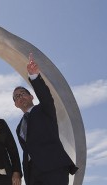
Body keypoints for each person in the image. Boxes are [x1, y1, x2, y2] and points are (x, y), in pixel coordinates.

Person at [12, 55, 78, 185]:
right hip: (33, 174)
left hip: (53, 167)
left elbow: (46, 96)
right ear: (16, 104)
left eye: (22, 93)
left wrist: (34, 77)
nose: (20, 97)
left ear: (31, 96)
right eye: (16, 97)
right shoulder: (19, 128)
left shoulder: (44, 110)